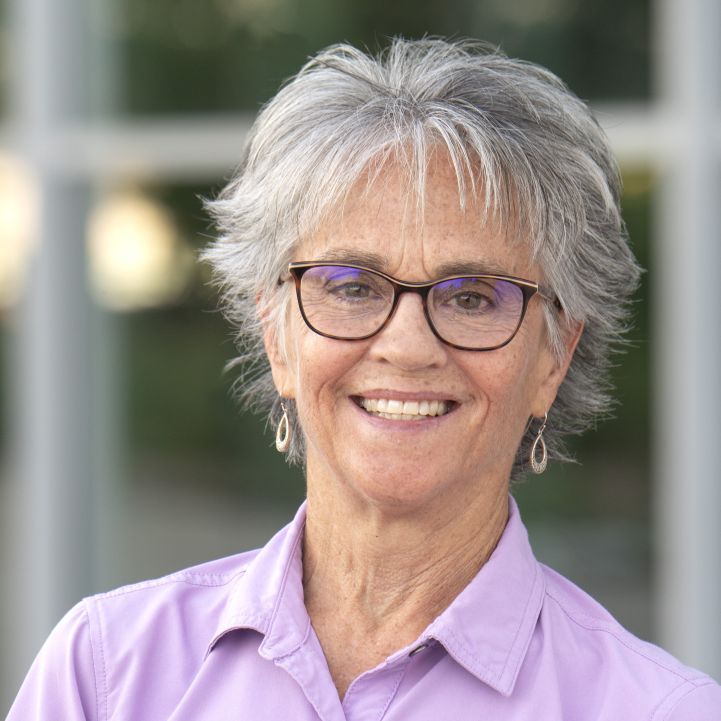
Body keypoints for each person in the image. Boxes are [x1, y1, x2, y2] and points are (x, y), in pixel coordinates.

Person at [8, 37, 721, 721]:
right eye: (350, 286)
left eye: (472, 295)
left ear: (553, 358)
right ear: (277, 335)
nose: (407, 346)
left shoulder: (656, 710)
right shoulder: (104, 674)